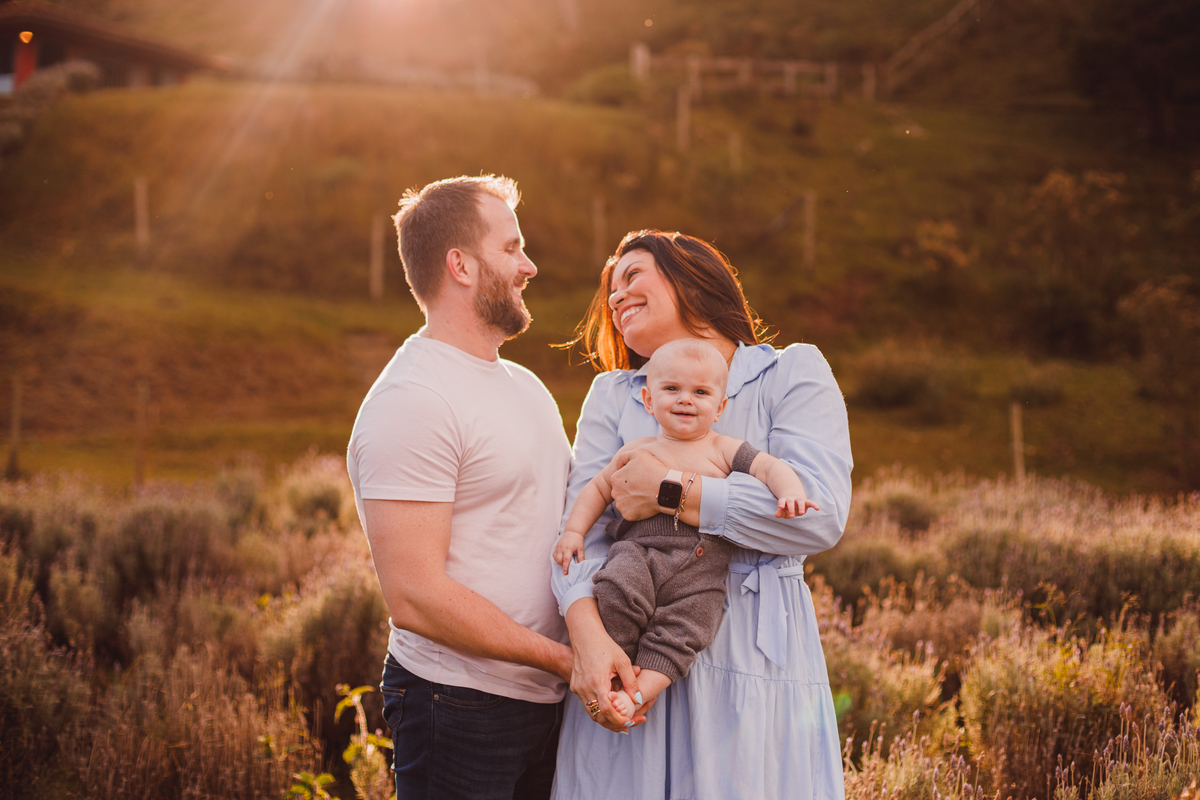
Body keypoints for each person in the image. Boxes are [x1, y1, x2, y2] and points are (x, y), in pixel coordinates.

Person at [551, 230, 853, 800]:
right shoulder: (614, 394)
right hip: (625, 653)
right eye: (610, 291)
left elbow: (820, 513)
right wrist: (588, 638)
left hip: (749, 655)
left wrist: (674, 493)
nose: (616, 297)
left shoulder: (788, 373)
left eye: (632, 276)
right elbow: (580, 534)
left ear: (690, 275)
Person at [346, 175, 573, 800]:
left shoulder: (525, 385)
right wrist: (561, 660)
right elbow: (415, 596)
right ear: (461, 266)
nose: (529, 266)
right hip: (459, 706)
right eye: (511, 249)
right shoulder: (413, 400)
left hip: (545, 701)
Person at [552, 338, 818, 720]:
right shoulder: (637, 450)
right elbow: (597, 488)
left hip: (702, 571)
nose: (685, 400)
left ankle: (638, 693)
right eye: (672, 389)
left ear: (720, 407)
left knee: (685, 633)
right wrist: (574, 532)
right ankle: (619, 671)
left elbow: (768, 467)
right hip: (639, 554)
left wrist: (790, 491)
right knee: (614, 591)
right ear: (648, 399)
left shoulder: (724, 449)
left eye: (701, 392)